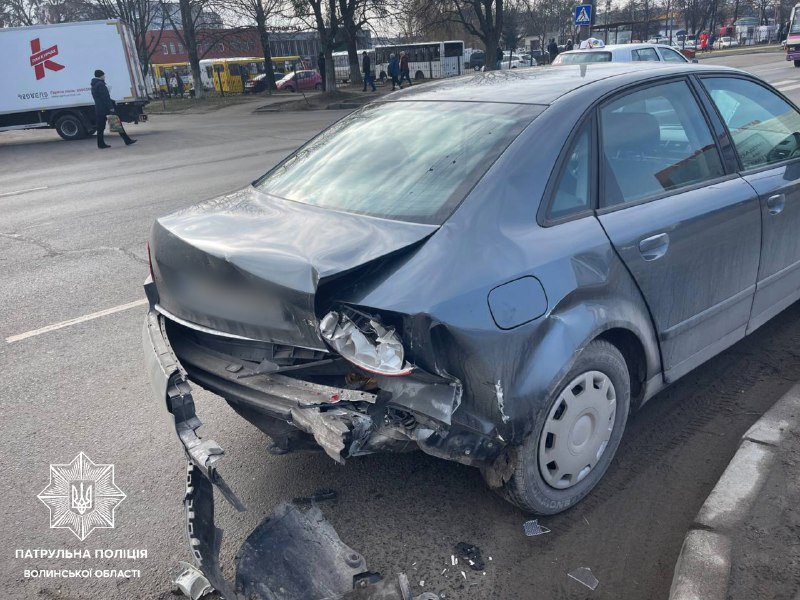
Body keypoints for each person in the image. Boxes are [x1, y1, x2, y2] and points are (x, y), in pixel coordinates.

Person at [91, 69, 135, 149]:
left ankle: (100, 144)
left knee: (100, 128)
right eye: (103, 75)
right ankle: (127, 140)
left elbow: (100, 98)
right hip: (106, 109)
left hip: (99, 109)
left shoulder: (94, 85)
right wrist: (111, 108)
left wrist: (112, 101)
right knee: (117, 124)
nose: (104, 77)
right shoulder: (100, 85)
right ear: (101, 76)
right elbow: (105, 98)